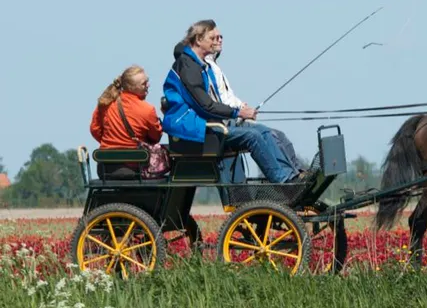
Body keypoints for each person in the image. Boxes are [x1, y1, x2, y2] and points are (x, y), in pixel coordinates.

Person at [161, 19, 306, 184]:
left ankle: (292, 176)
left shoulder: (200, 65)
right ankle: (283, 182)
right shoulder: (188, 66)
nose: (217, 41)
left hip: (209, 123)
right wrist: (238, 112)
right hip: (194, 128)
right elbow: (205, 106)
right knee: (253, 136)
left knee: (264, 132)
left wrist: (238, 111)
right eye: (212, 38)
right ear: (199, 40)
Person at [204, 26, 302, 170]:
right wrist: (241, 111)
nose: (220, 40)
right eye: (215, 38)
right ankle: (289, 176)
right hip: (227, 124)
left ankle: (298, 171)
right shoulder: (207, 68)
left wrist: (241, 106)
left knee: (280, 136)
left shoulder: (214, 66)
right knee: (272, 136)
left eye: (221, 37)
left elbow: (228, 96)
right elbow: (219, 101)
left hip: (233, 119)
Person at [90, 65, 163, 179]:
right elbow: (155, 137)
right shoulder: (147, 110)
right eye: (144, 83)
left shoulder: (105, 103)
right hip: (135, 169)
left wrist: (113, 142)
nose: (148, 85)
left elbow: (95, 130)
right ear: (131, 87)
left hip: (105, 168)